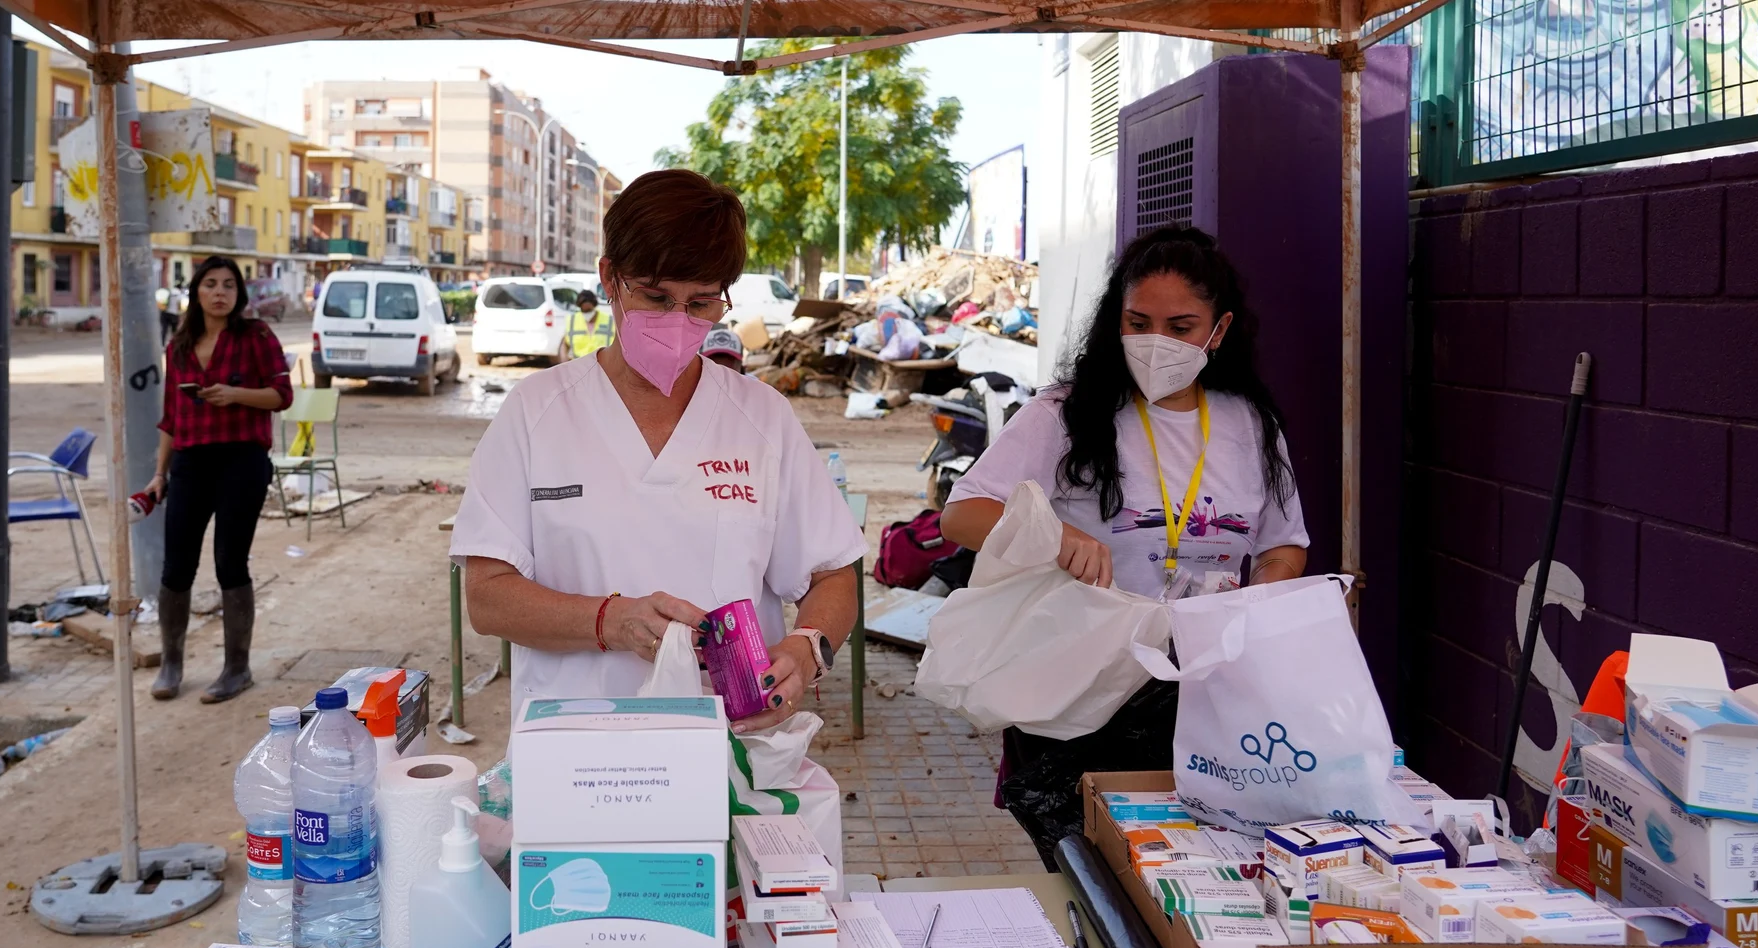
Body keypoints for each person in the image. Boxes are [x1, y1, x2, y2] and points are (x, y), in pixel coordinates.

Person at [939, 225, 1308, 859]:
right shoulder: (1065, 412)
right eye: (1139, 322)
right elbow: (962, 515)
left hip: (1202, 692)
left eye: (1181, 327)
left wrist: (1254, 605)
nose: (1156, 343)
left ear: (1218, 332)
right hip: (1082, 690)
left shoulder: (1249, 425)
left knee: (1188, 868)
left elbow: (1283, 545)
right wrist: (1053, 537)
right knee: (1095, 882)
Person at [450, 169, 865, 731]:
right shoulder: (537, 413)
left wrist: (807, 648)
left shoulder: (761, 418)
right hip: (575, 752)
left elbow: (834, 573)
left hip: (734, 752)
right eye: (655, 296)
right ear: (609, 279)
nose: (677, 322)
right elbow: (488, 598)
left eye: (700, 303)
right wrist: (611, 621)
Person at [143, 254, 293, 703]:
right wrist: (158, 474)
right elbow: (170, 418)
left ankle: (236, 669)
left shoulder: (256, 336)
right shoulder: (180, 346)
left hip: (242, 461)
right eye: (211, 284)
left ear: (239, 294)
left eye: (229, 285)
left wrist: (235, 395)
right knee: (176, 566)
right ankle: (171, 665)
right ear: (197, 292)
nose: (220, 292)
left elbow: (282, 395)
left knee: (230, 561)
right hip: (190, 462)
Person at [567, 289, 614, 358]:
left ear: (594, 306)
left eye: (589, 310)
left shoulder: (609, 321)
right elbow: (565, 344)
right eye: (584, 311)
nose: (587, 314)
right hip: (579, 365)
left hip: (603, 364)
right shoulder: (572, 320)